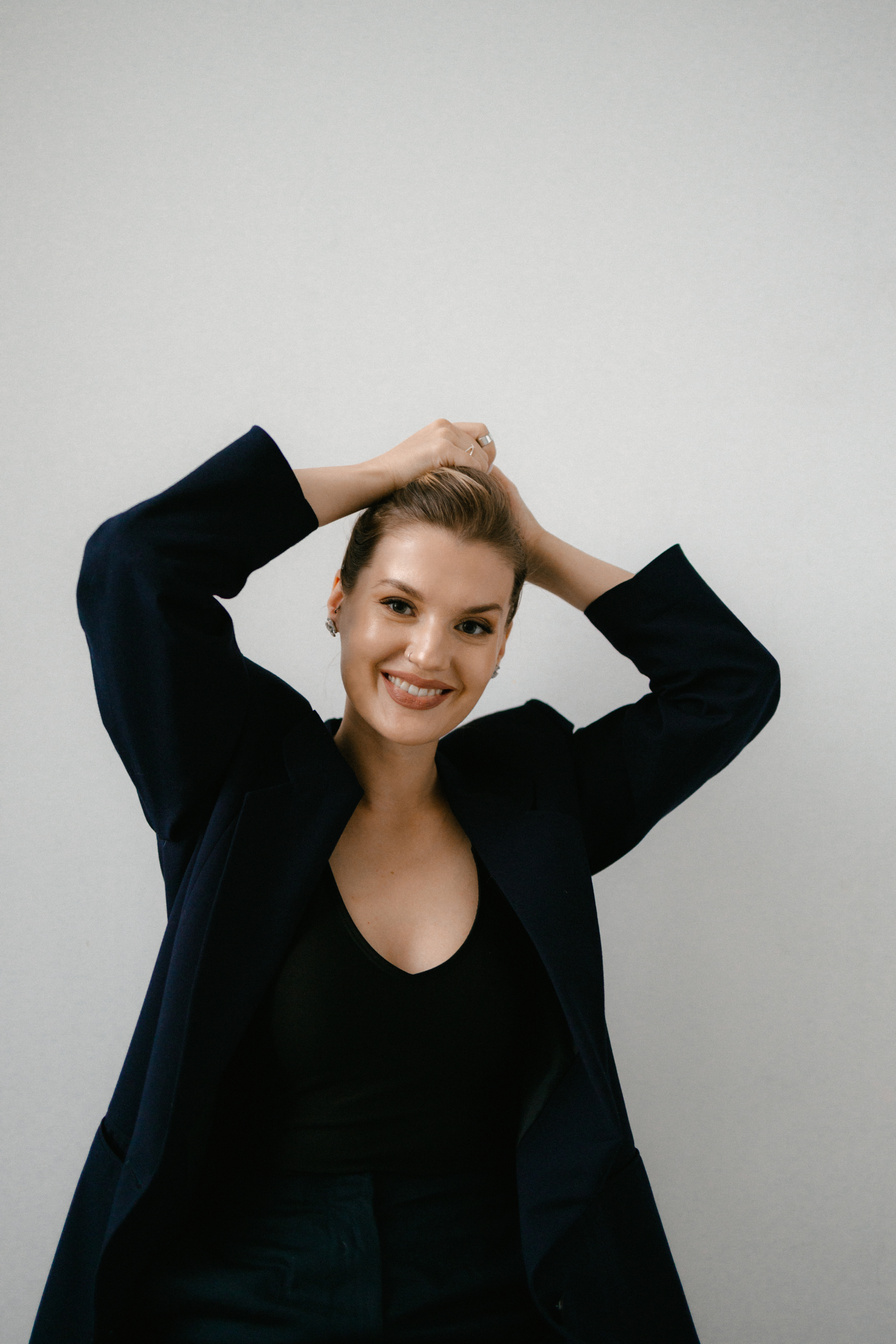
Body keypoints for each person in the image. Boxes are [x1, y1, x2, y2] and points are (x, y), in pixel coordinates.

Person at [30, 418, 780, 1344]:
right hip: (237, 1284)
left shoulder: (537, 805)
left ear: (504, 646)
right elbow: (132, 566)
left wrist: (530, 544)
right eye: (398, 604)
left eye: (474, 624)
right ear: (338, 601)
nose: (430, 655)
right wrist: (389, 472)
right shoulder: (231, 778)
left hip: (495, 1283)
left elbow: (728, 681)